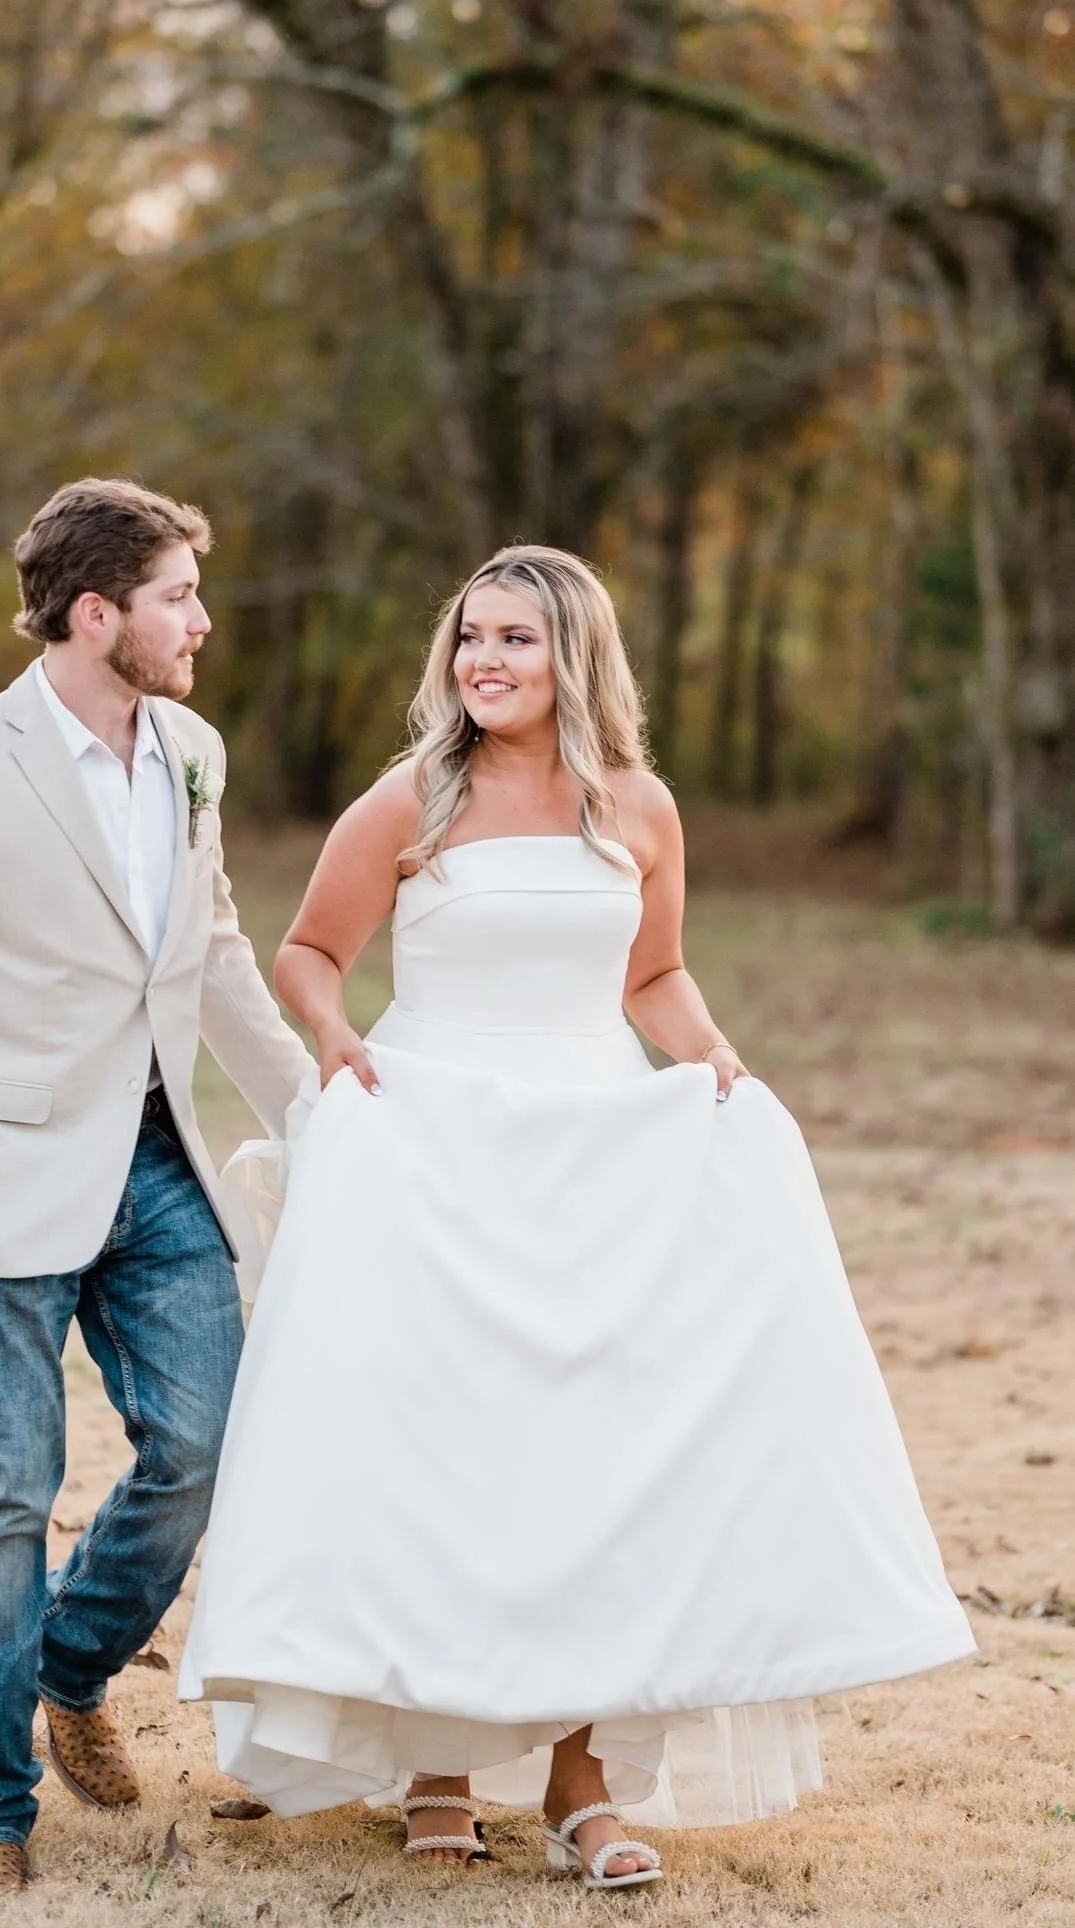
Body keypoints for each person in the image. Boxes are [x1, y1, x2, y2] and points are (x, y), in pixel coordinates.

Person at [181, 543, 975, 1893]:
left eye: (515, 642)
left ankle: (580, 1783)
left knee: (601, 1461)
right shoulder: (408, 803)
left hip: (597, 1146)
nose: (482, 662)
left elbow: (652, 973)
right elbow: (308, 953)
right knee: (443, 1453)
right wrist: (332, 1042)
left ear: (573, 659)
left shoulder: (638, 810)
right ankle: (433, 1767)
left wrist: (712, 1063)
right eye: (469, 638)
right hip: (435, 1143)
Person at [0, 478, 313, 1903]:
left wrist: (327, 1123)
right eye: (176, 599)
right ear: (98, 616)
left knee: (203, 1448)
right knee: (3, 1492)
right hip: (3, 1167)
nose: (200, 622)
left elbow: (211, 954)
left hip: (159, 1167)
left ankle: (70, 1666)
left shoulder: (193, 749)